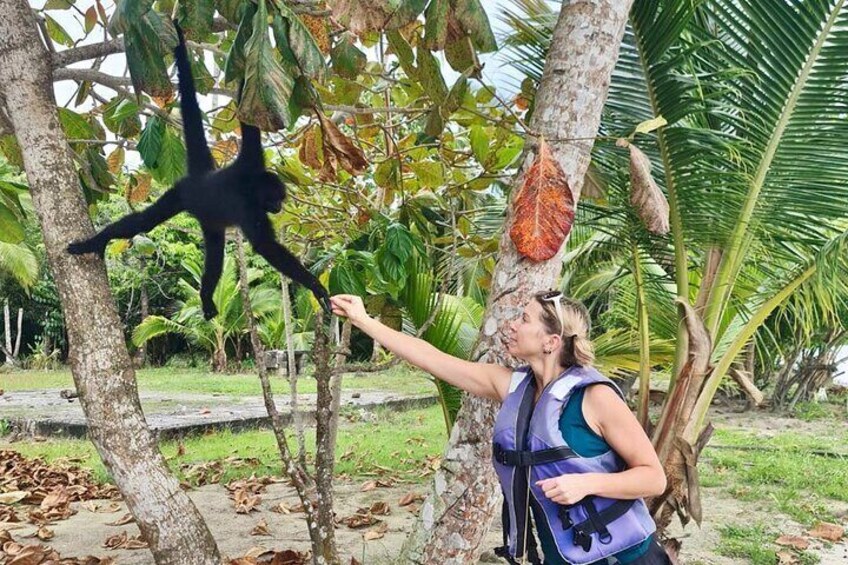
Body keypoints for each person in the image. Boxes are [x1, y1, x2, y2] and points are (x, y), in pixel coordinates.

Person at [329, 291, 671, 565]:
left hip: (625, 555)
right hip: (562, 555)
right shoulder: (513, 386)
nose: (512, 325)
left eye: (524, 319)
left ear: (551, 341)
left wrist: (587, 483)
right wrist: (363, 320)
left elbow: (654, 478)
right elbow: (432, 357)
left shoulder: (594, 397)